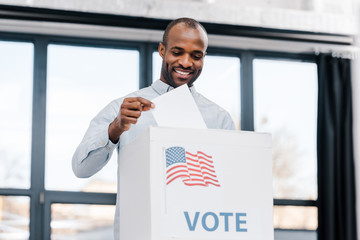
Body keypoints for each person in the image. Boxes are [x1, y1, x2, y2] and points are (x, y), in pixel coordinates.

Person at [72, 17, 235, 239]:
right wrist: (115, 129)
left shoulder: (219, 119)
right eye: (177, 52)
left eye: (196, 56)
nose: (186, 63)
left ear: (204, 57)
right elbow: (81, 169)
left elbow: (229, 188)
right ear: (161, 50)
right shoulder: (123, 108)